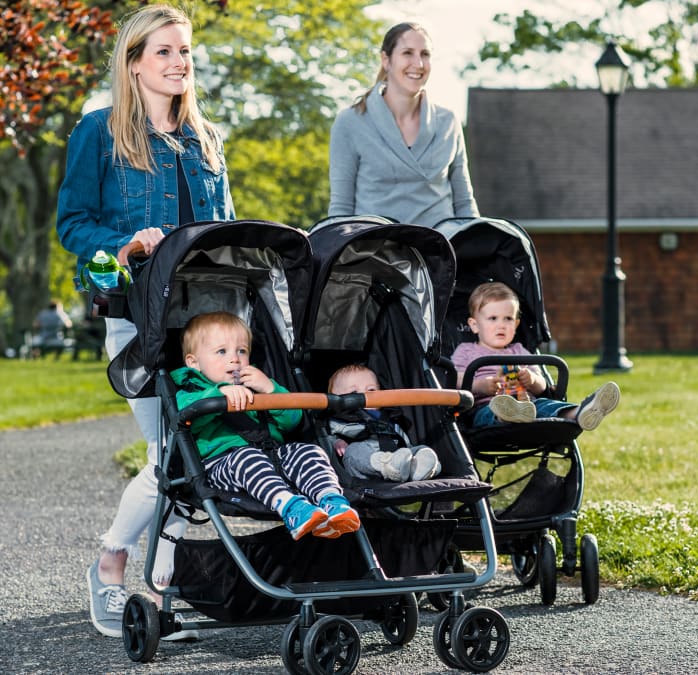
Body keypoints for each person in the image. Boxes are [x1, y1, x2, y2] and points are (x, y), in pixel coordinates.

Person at [54, 4, 235, 640]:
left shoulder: (206, 141)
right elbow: (72, 224)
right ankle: (110, 566)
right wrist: (127, 243)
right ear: (133, 64)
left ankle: (158, 596)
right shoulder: (99, 133)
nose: (180, 62)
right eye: (164, 51)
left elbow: (227, 235)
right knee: (170, 454)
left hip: (208, 326)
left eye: (184, 51)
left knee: (198, 458)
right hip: (139, 316)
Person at [171, 311, 361, 540]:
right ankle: (291, 508)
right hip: (221, 466)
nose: (235, 359)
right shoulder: (190, 392)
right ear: (194, 362)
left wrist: (271, 390)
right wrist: (219, 395)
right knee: (247, 458)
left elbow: (293, 422)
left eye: (242, 351)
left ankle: (331, 501)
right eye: (222, 351)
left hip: (272, 456)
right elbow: (187, 416)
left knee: (308, 450)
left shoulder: (256, 387)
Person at [327, 22, 479, 226]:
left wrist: (478, 246)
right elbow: (341, 208)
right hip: (375, 250)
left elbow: (464, 203)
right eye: (408, 53)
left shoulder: (448, 122)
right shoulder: (351, 123)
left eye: (425, 54)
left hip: (440, 248)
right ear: (386, 60)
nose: (419, 63)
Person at [452, 282, 622, 430]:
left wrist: (532, 380)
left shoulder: (520, 351)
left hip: (528, 405)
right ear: (474, 325)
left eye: (508, 319)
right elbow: (452, 380)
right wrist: (480, 385)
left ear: (516, 324)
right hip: (486, 405)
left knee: (546, 406)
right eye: (493, 318)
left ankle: (580, 412)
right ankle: (507, 415)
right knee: (489, 412)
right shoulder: (466, 351)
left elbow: (543, 387)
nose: (501, 325)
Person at [324, 363, 441, 482]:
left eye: (371, 390)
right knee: (353, 451)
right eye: (354, 392)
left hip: (398, 457)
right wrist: (336, 441)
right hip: (365, 466)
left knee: (420, 449)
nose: (365, 395)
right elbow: (325, 438)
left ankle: (422, 467)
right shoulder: (338, 420)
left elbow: (403, 441)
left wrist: (410, 451)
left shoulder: (390, 417)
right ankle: (389, 466)